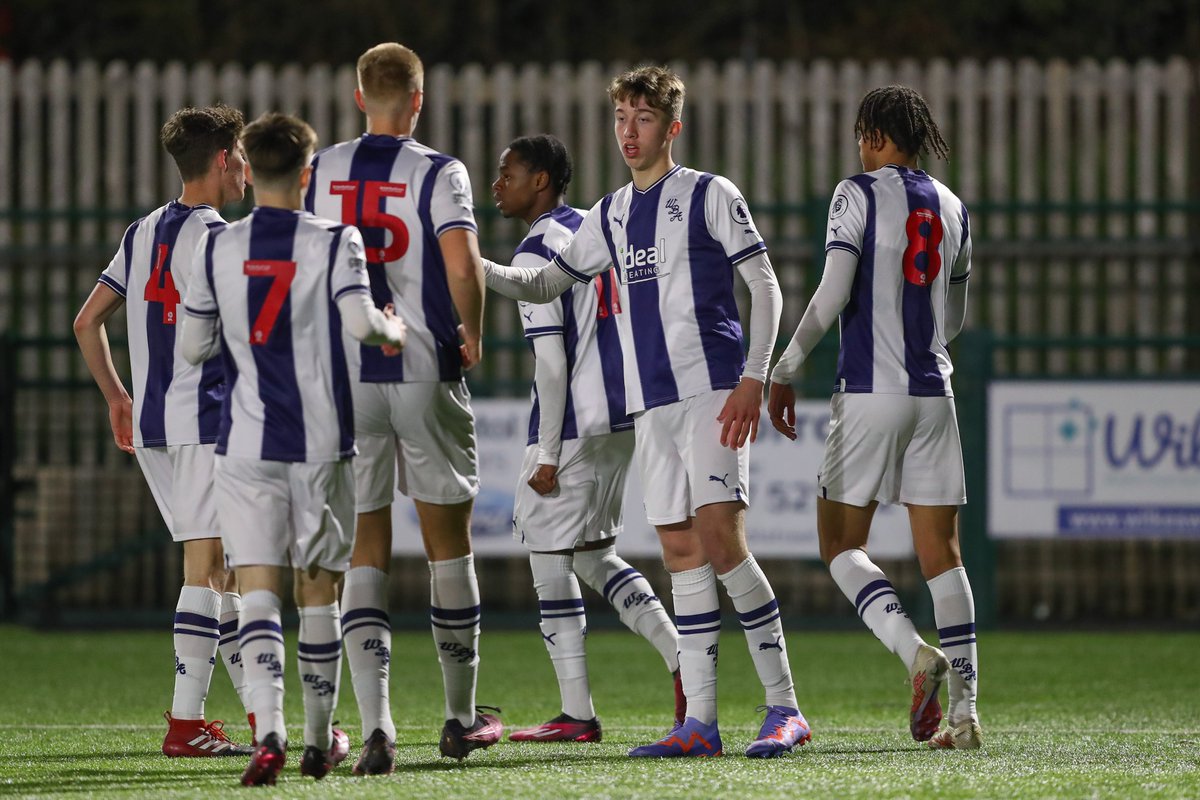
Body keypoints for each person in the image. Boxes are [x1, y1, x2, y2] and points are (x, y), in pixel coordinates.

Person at [482, 65, 810, 759]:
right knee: (680, 551)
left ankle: (786, 706)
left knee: (723, 541)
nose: (630, 132)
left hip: (713, 391)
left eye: (644, 119)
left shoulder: (708, 193)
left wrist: (757, 376)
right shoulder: (607, 214)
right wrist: (470, 262)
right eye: (622, 118)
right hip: (650, 405)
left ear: (672, 126)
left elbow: (764, 283)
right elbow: (543, 280)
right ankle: (702, 726)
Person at [179, 111, 408, 786]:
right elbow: (362, 323)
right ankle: (314, 740)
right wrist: (391, 330)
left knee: (255, 591)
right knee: (318, 592)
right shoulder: (337, 241)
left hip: (245, 442)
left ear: (246, 171)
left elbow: (192, 347)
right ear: (307, 173)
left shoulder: (217, 248)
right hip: (321, 442)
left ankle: (268, 732)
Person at [766, 85, 982, 750]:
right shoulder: (953, 207)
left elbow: (832, 292)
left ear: (877, 136)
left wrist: (784, 366)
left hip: (869, 392)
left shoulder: (856, 193)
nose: (859, 145)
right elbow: (957, 317)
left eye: (864, 133)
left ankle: (912, 650)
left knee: (838, 543)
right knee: (944, 557)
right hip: (933, 392)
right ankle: (968, 714)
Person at [302, 42, 497, 770]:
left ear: (359, 97)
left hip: (344, 374)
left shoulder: (320, 169)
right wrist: (471, 328)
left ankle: (377, 724)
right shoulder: (439, 171)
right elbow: (460, 261)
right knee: (449, 540)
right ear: (418, 99)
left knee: (364, 546)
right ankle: (457, 717)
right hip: (420, 365)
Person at [74, 104, 255, 758]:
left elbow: (85, 321)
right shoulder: (220, 238)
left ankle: (261, 720)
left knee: (225, 572)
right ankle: (186, 724)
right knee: (210, 569)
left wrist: (117, 396)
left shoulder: (142, 230)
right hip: (203, 423)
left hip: (154, 424)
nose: (246, 169)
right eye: (239, 157)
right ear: (218, 162)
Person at [491, 134, 685, 742]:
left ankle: (577, 713)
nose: (498, 184)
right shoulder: (596, 230)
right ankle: (685, 661)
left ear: (541, 181)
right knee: (593, 555)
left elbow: (551, 363)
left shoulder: (536, 250)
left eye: (508, 173)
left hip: (573, 423)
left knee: (550, 561)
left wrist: (546, 452)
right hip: (623, 415)